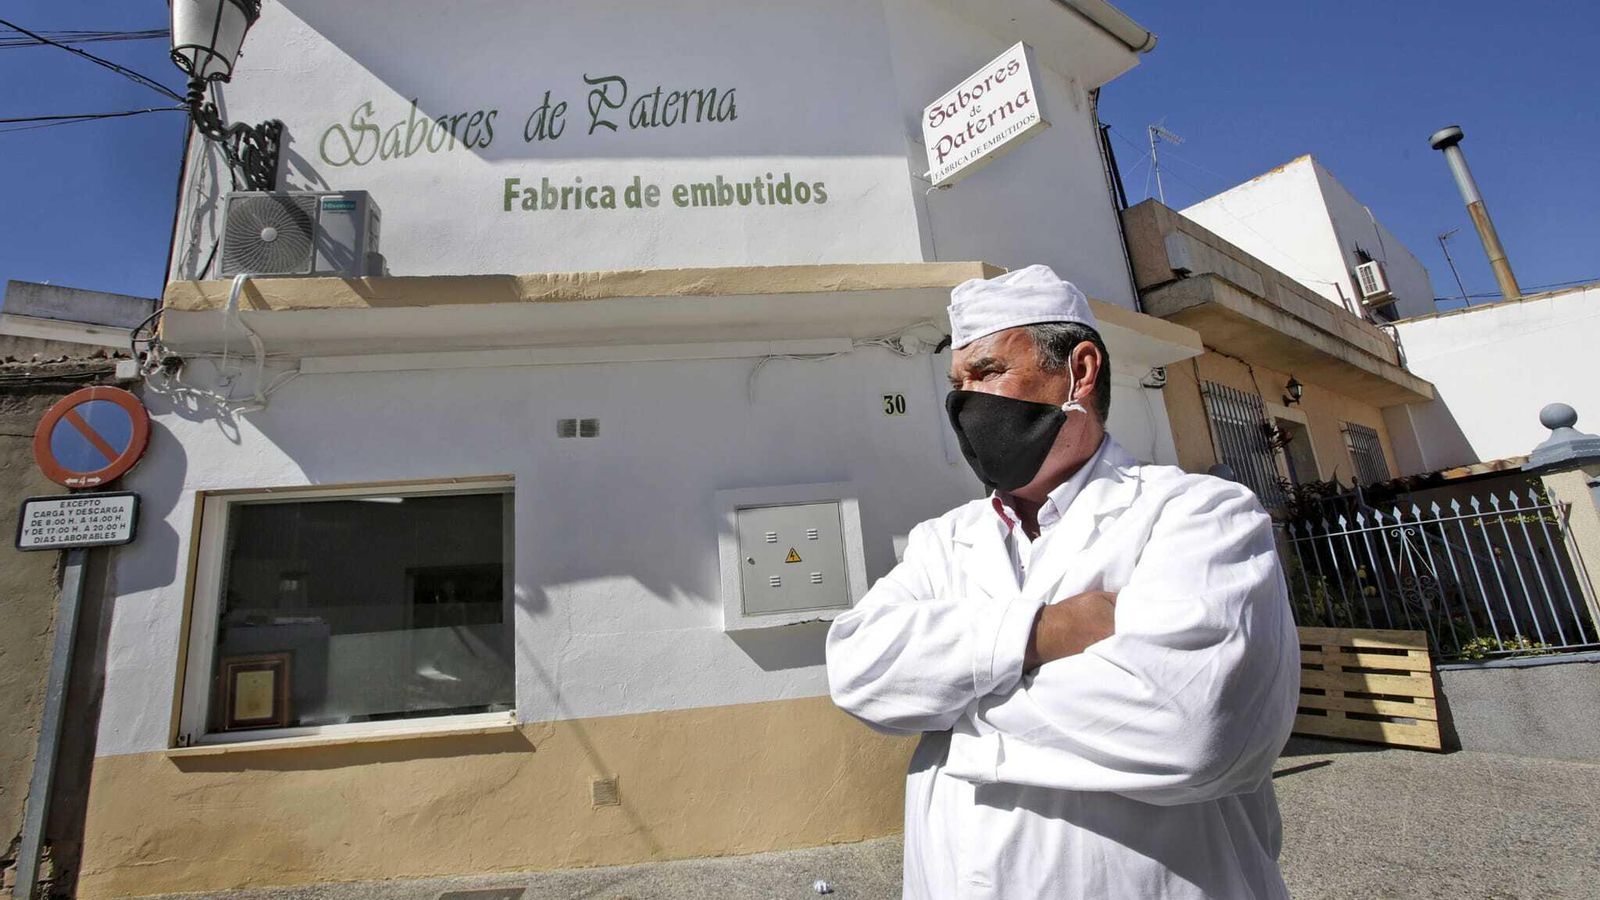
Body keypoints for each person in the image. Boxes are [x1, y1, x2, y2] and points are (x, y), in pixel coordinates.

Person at [825, 265, 1300, 899]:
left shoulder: (1200, 514)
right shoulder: (943, 540)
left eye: (988, 371)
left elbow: (1194, 727)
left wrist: (953, 718)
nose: (965, 401)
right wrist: (1045, 631)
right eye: (957, 383)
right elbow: (857, 669)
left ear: (1080, 370)